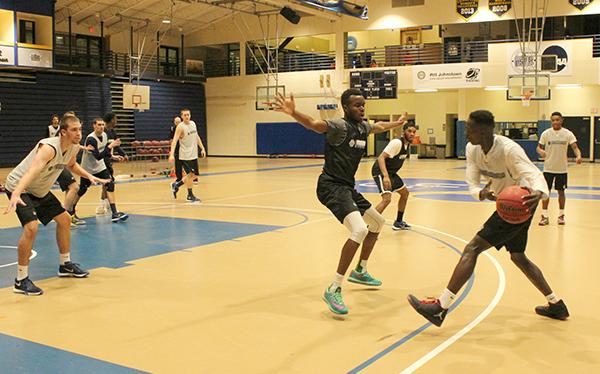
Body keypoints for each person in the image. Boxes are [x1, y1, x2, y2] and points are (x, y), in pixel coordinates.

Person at [407, 110, 569, 327]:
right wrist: (480, 193)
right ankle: (556, 304)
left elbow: (533, 173)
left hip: (520, 204)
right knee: (518, 257)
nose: (466, 133)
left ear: (484, 130)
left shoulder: (508, 149)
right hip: (509, 207)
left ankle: (440, 308)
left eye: (470, 128)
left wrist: (541, 192)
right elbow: (472, 182)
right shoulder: (472, 148)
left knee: (472, 248)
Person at [271, 89, 407, 315]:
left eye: (363, 105)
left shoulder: (363, 128)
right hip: (331, 186)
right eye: (357, 105)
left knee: (378, 223)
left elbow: (380, 126)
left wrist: (398, 123)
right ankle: (334, 288)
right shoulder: (339, 127)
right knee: (360, 230)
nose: (361, 109)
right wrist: (293, 113)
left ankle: (360, 271)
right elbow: (314, 124)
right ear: (346, 107)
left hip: (346, 187)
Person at [3, 114, 109, 295]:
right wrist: (17, 193)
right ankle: (21, 280)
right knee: (31, 227)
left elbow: (72, 165)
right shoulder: (48, 148)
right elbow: (32, 170)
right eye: (74, 130)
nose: (78, 133)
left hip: (40, 190)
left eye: (80, 129)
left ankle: (65, 264)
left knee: (65, 219)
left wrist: (89, 176)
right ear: (63, 132)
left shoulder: (74, 147)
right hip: (21, 187)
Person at [73, 118, 128, 222]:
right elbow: (98, 156)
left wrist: (113, 156)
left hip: (100, 167)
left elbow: (104, 152)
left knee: (110, 183)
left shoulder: (104, 135)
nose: (101, 127)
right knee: (82, 190)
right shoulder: (91, 139)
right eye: (99, 125)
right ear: (94, 126)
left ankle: (114, 213)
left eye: (103, 125)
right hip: (88, 169)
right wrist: (111, 146)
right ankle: (71, 211)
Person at [536, 112, 582, 226]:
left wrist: (579, 156)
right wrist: (540, 151)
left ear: (561, 120)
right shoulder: (546, 134)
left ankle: (561, 215)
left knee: (561, 192)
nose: (555, 122)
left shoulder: (568, 133)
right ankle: (544, 216)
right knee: (546, 193)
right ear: (551, 121)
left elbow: (575, 147)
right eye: (553, 120)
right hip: (548, 169)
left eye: (557, 120)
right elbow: (538, 147)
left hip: (562, 169)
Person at [372, 121, 416, 230]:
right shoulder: (397, 142)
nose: (412, 134)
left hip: (391, 173)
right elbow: (381, 158)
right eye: (409, 131)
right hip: (381, 171)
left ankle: (398, 222)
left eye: (414, 132)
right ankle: (368, 225)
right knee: (386, 199)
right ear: (403, 132)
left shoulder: (407, 144)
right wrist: (385, 176)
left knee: (405, 194)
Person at [169, 108, 206, 202]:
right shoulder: (180, 127)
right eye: (185, 115)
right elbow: (174, 141)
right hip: (185, 155)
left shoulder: (193, 124)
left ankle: (177, 184)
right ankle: (190, 195)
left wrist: (202, 148)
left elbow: (196, 136)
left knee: (194, 175)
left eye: (188, 115)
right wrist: (172, 154)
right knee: (190, 175)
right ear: (182, 116)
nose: (187, 116)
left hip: (193, 154)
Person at [96, 112, 127, 215]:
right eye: (116, 119)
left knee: (108, 183)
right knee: (108, 183)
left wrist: (123, 154)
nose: (117, 121)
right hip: (99, 161)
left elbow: (117, 145)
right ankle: (104, 207)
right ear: (112, 120)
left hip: (107, 160)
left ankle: (105, 206)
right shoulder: (102, 131)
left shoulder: (112, 132)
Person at [169, 115, 183, 194]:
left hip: (184, 148)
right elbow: (171, 139)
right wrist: (171, 151)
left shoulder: (184, 127)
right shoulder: (173, 129)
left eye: (179, 122)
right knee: (178, 164)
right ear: (174, 122)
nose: (178, 123)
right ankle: (179, 178)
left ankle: (193, 177)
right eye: (176, 122)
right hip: (177, 148)